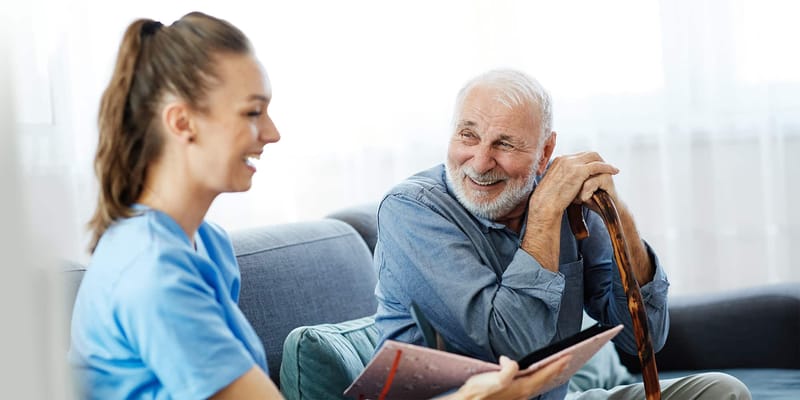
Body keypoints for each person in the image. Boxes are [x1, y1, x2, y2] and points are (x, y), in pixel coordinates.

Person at [68, 12, 573, 400]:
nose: (272, 133)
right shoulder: (154, 273)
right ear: (182, 123)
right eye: (252, 112)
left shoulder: (207, 246)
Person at [372, 69, 751, 400]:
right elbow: (513, 349)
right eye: (468, 136)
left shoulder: (564, 198)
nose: (481, 161)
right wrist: (544, 214)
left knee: (720, 391)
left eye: (504, 144)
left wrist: (617, 211)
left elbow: (644, 337)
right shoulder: (412, 210)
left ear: (544, 152)